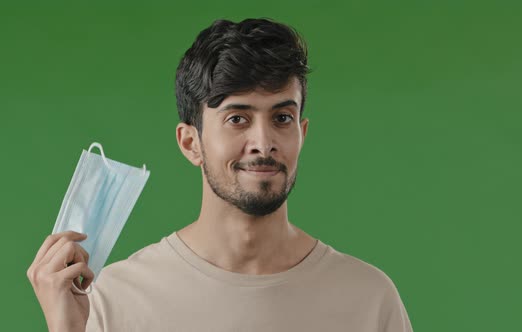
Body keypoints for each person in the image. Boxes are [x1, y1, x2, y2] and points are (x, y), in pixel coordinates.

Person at [27, 17, 413, 332]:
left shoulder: (369, 300)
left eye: (282, 118)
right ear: (190, 142)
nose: (263, 142)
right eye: (237, 118)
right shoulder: (112, 300)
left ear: (302, 133)